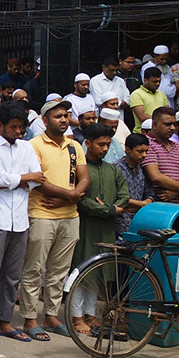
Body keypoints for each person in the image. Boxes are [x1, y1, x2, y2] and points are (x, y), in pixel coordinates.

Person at [20, 100, 89, 341]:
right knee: (34, 268)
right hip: (41, 213)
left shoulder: (74, 146)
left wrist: (71, 198)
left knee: (59, 270)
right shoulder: (33, 145)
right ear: (44, 120)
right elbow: (37, 181)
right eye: (58, 115)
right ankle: (30, 317)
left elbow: (84, 178)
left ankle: (51, 315)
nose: (64, 119)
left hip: (69, 215)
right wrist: (69, 195)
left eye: (66, 115)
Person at [0, 101, 44, 342]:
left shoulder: (26, 147)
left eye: (21, 127)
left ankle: (5, 321)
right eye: (14, 127)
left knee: (12, 276)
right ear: (0, 125)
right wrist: (24, 178)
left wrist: (17, 180)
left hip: (20, 218)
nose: (19, 132)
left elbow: (38, 179)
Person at [68, 123, 128, 335]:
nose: (104, 149)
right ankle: (76, 317)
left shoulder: (112, 169)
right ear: (88, 143)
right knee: (81, 271)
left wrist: (109, 209)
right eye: (100, 144)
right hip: (85, 227)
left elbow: (124, 195)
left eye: (107, 144)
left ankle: (90, 316)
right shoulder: (79, 169)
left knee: (99, 272)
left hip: (106, 228)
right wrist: (108, 210)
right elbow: (80, 200)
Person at [143, 107, 179, 204]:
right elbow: (156, 177)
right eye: (168, 124)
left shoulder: (178, 147)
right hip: (155, 205)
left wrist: (177, 191)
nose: (172, 128)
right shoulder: (146, 144)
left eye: (175, 124)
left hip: (176, 206)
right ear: (154, 124)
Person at [115, 132, 154, 236]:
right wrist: (140, 204)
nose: (144, 155)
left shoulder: (142, 169)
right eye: (140, 151)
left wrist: (147, 201)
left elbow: (149, 192)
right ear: (128, 150)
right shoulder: (116, 169)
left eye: (146, 151)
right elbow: (115, 196)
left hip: (140, 217)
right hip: (121, 219)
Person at [129, 67, 168, 133]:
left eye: (159, 81)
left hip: (160, 133)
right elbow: (142, 116)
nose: (158, 84)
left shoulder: (161, 94)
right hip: (142, 133)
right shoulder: (136, 94)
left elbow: (166, 112)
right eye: (154, 81)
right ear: (145, 80)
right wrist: (162, 119)